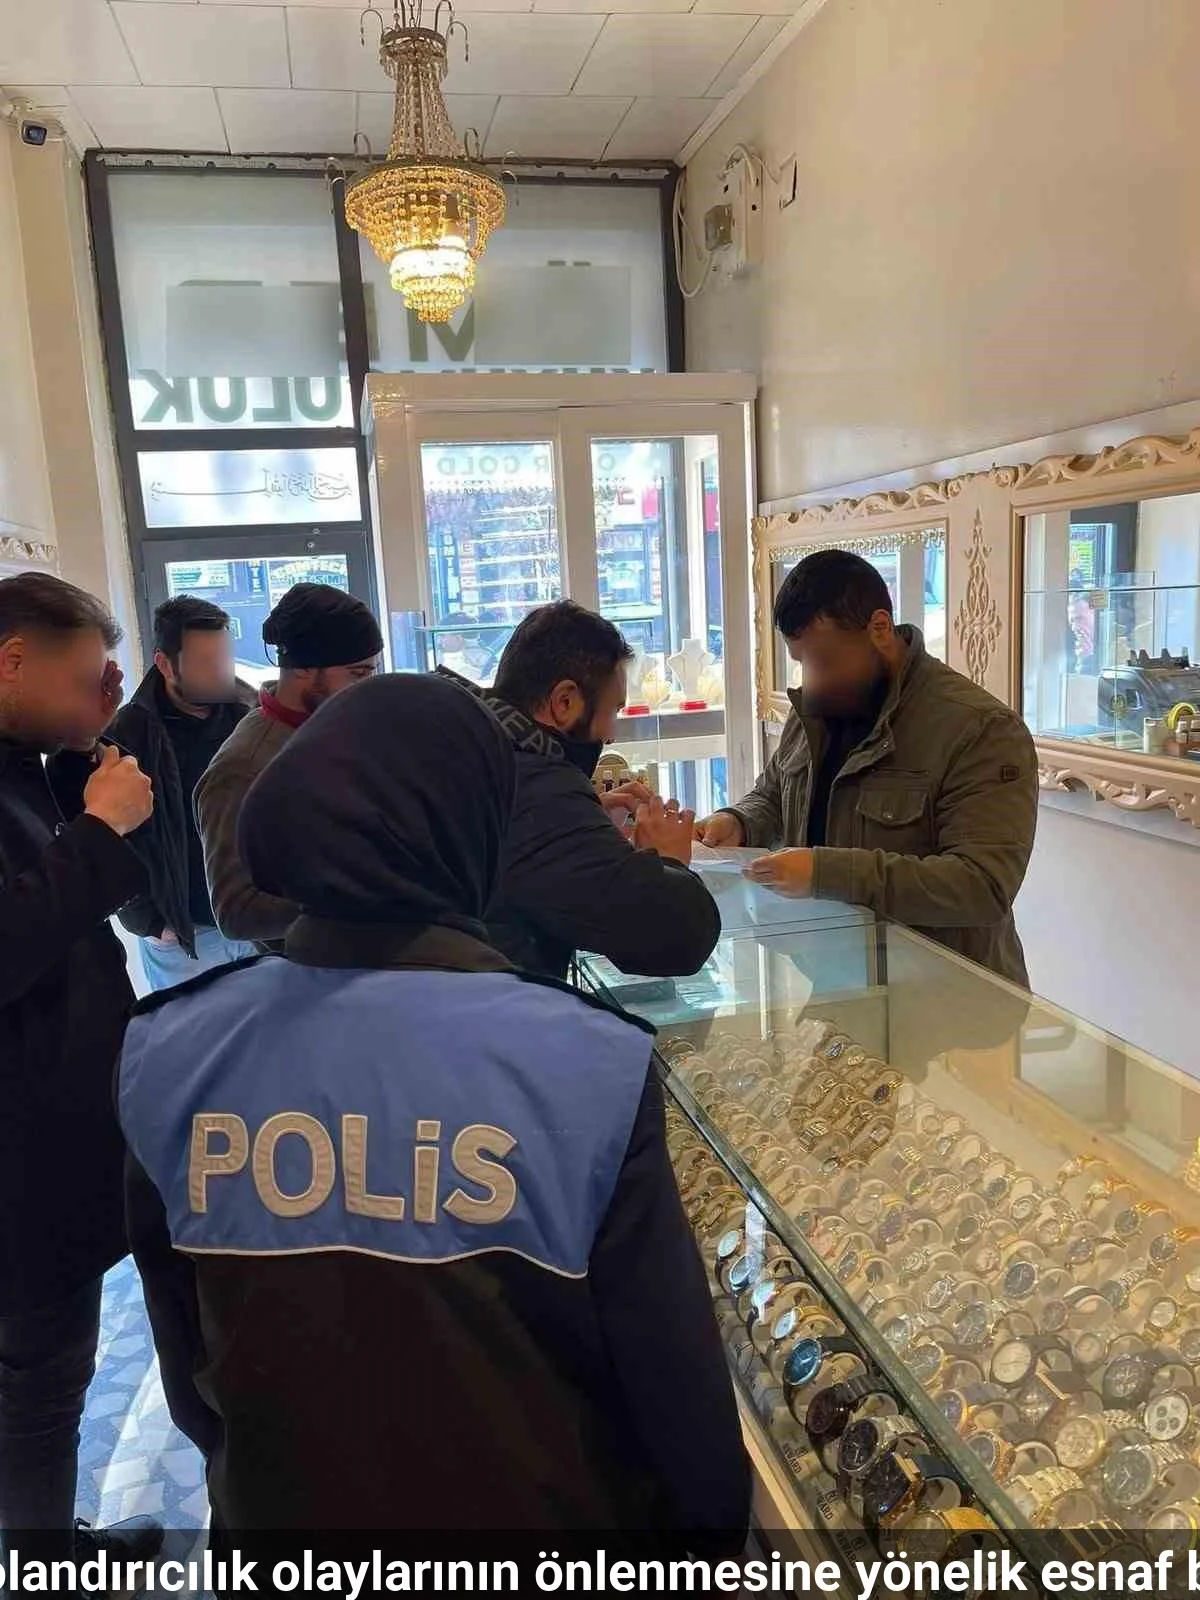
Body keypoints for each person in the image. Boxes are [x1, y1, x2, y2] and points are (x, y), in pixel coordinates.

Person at [118, 674, 749, 1541]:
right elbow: (669, 1380)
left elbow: (189, 1362)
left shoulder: (167, 1050)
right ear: (475, 829)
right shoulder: (584, 1060)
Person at [0, 573, 160, 1556]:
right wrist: (100, 828)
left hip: (44, 1132)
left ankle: (44, 1541)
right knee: (41, 1380)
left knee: (43, 1374)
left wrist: (81, 749)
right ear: (12, 659)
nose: (88, 698)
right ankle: (45, 1562)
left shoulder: (19, 761)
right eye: (75, 681)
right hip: (18, 1157)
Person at [698, 549, 1037, 986]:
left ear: (879, 628)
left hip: (951, 1001)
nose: (812, 681)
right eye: (802, 662)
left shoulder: (980, 729)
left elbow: (982, 886)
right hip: (841, 984)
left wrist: (827, 873)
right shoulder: (818, 707)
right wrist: (740, 821)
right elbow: (775, 793)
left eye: (825, 661)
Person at [441, 599, 721, 980]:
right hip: (498, 1007)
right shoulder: (538, 790)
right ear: (565, 701)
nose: (611, 735)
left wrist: (584, 823)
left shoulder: (482, 749)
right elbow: (678, 936)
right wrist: (667, 861)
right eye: (613, 711)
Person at [195, 584, 382, 950]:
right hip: (311, 971)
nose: (368, 688)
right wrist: (363, 901)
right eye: (358, 674)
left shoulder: (338, 725)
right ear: (303, 668)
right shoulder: (244, 767)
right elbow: (235, 912)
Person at [106, 596, 257, 991]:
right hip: (185, 935)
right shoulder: (128, 733)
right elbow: (111, 835)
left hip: (255, 919)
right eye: (205, 662)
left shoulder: (252, 718)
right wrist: (150, 921)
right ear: (164, 664)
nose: (221, 671)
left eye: (224, 657)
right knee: (195, 1031)